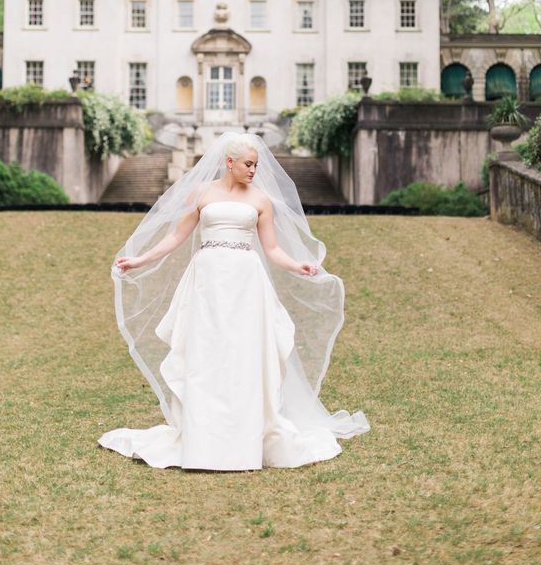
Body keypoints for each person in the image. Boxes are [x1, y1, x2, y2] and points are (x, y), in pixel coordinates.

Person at [98, 131, 370, 470]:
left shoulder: (261, 201)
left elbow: (271, 249)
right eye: (248, 164)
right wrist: (139, 260)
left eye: (256, 164)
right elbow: (175, 236)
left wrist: (298, 265)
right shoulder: (202, 193)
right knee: (206, 352)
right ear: (229, 163)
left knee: (243, 353)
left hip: (245, 282)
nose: (254, 170)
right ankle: (202, 437)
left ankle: (244, 437)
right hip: (207, 281)